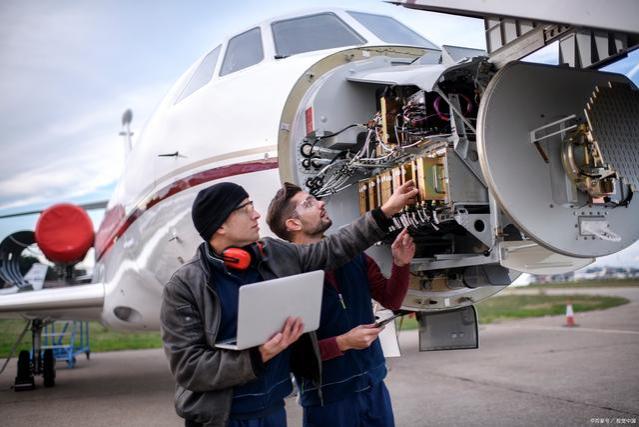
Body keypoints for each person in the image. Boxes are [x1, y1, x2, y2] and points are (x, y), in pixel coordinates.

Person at [160, 180, 418, 427]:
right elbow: (189, 368)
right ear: (220, 226)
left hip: (273, 408)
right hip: (221, 417)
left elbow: (332, 250)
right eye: (246, 209)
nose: (256, 215)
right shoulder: (185, 286)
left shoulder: (273, 254)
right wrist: (259, 355)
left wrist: (385, 213)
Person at [266, 183, 415, 427]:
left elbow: (390, 300)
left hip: (373, 384)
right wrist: (342, 343)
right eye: (309, 204)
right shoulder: (284, 277)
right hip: (328, 398)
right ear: (293, 224)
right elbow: (289, 353)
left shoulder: (354, 256)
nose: (321, 203)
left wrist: (401, 263)